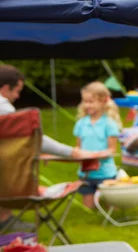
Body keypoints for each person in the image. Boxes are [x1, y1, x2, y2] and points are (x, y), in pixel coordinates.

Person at [0, 64, 88, 233]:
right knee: (11, 167)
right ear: (4, 88)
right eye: (16, 91)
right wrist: (71, 152)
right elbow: (35, 139)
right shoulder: (3, 108)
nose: (17, 96)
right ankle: (4, 222)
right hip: (7, 181)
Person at [74, 81, 122, 209]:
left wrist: (96, 155)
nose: (87, 105)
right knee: (88, 209)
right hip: (86, 173)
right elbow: (78, 147)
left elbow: (112, 150)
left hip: (106, 173)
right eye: (85, 101)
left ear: (103, 102)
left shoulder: (109, 123)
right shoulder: (81, 124)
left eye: (91, 101)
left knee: (113, 208)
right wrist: (77, 154)